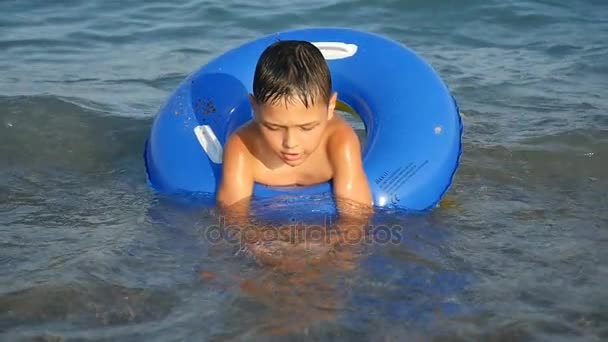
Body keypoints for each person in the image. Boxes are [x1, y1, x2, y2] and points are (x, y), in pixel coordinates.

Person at [216, 39, 373, 216]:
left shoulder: (339, 144)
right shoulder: (243, 150)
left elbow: (356, 218)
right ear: (254, 108)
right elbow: (233, 220)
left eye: (307, 128)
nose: (291, 143)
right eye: (274, 127)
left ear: (330, 108)